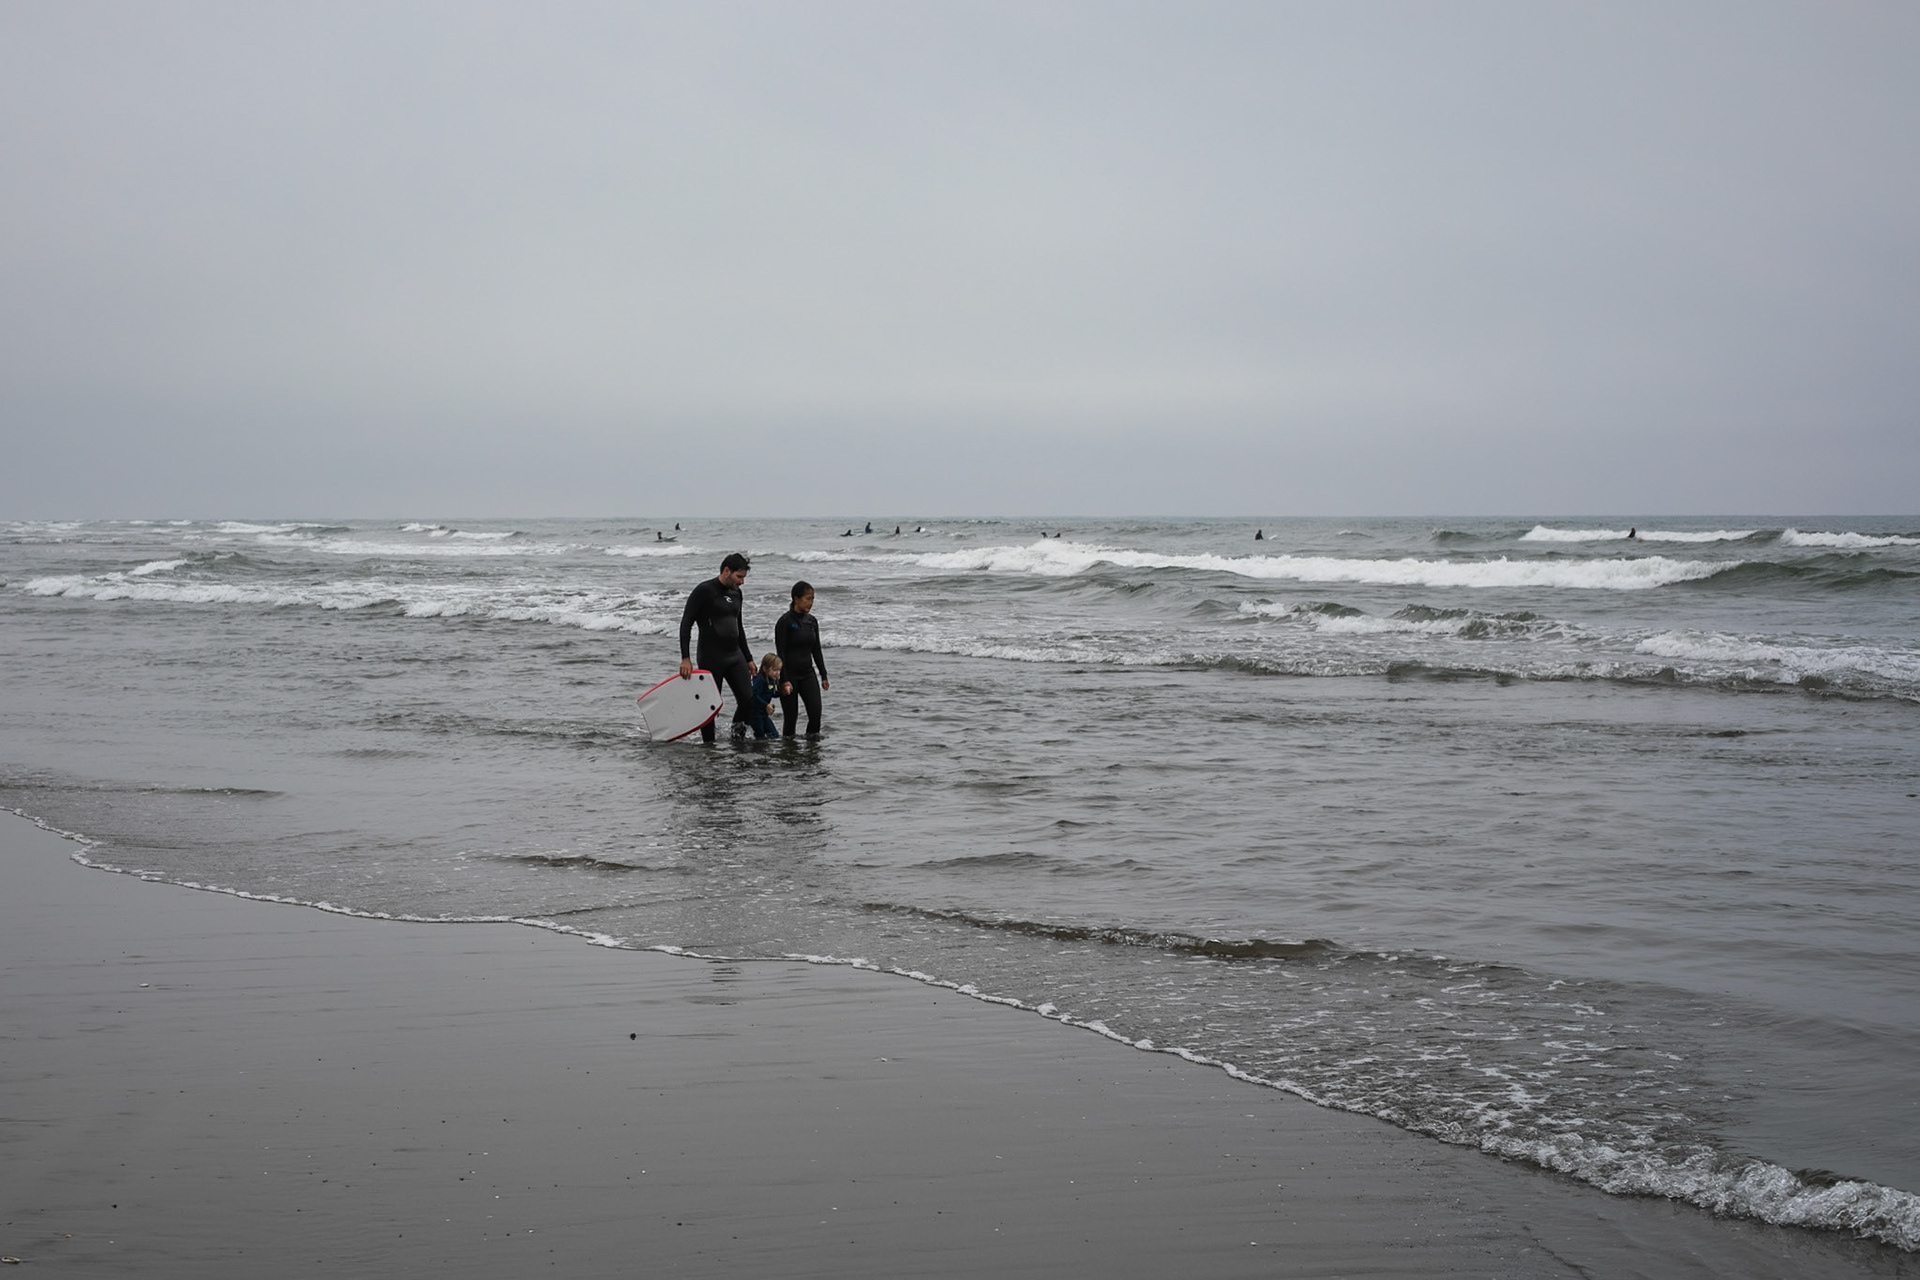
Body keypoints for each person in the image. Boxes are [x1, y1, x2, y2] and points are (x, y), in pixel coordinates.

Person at [679, 553, 757, 743]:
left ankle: (737, 739)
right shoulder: (704, 591)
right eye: (739, 577)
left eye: (744, 577)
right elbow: (686, 623)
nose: (742, 582)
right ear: (726, 571)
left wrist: (748, 658)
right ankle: (709, 746)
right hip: (711, 656)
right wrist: (685, 658)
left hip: (735, 655)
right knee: (710, 705)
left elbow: (739, 627)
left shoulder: (737, 593)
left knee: (748, 699)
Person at [775, 580, 830, 738]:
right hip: (789, 676)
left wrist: (823, 675)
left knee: (815, 713)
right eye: (808, 599)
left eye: (813, 599)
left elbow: (816, 649)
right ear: (796, 599)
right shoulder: (784, 622)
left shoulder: (811, 621)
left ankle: (812, 749)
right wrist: (784, 680)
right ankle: (789, 749)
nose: (811, 603)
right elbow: (781, 653)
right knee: (791, 718)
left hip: (807, 674)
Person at [746, 654, 783, 739]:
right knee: (760, 736)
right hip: (755, 714)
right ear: (765, 668)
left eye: (779, 670)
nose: (777, 673)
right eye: (775, 670)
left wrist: (783, 692)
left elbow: (771, 693)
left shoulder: (771, 681)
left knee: (774, 735)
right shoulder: (759, 680)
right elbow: (753, 696)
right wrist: (766, 705)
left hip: (763, 714)